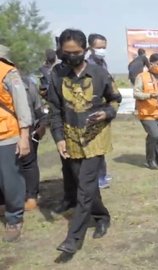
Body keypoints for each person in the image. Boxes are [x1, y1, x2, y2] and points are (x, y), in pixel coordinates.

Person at [48, 29, 121, 254]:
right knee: (84, 185)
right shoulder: (56, 75)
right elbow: (54, 110)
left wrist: (107, 113)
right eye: (66, 52)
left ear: (85, 50)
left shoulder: (99, 73)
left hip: (95, 138)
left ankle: (74, 238)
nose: (71, 56)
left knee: (84, 188)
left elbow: (115, 99)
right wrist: (59, 138)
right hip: (71, 139)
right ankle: (102, 217)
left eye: (76, 52)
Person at [0, 44, 32, 242]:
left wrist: (24, 136)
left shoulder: (8, 73)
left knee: (9, 178)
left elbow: (21, 105)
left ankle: (14, 218)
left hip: (6, 134)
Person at [133, 53, 158, 170]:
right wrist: (151, 95)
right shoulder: (142, 77)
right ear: (151, 64)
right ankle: (151, 160)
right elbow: (136, 93)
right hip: (147, 113)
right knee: (154, 135)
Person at [18, 75, 48, 211]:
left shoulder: (28, 84)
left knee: (28, 163)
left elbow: (39, 111)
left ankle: (31, 197)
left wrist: (42, 126)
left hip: (29, 128)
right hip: (5, 129)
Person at [87, 33, 112, 189]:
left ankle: (102, 174)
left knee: (101, 144)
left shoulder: (103, 63)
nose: (102, 50)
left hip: (103, 109)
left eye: (104, 47)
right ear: (90, 47)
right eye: (99, 47)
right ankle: (97, 177)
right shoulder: (88, 65)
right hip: (91, 109)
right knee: (93, 145)